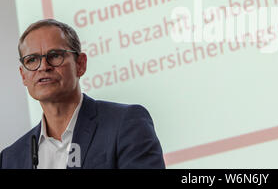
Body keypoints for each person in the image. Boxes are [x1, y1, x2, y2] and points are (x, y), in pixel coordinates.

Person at [0, 19, 165, 169]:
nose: (43, 66)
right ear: (23, 75)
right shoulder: (10, 159)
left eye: (55, 55)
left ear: (80, 64)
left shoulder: (125, 123)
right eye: (32, 60)